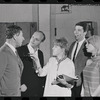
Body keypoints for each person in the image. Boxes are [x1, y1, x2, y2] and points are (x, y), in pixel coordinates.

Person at [17, 31, 46, 96]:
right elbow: (14, 71)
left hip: (37, 90)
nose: (33, 40)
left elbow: (40, 71)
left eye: (37, 39)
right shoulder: (19, 51)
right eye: (33, 37)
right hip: (24, 88)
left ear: (41, 42)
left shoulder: (40, 54)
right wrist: (19, 84)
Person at [0, 25, 25, 96]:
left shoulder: (14, 51)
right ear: (15, 36)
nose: (23, 38)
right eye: (21, 36)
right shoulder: (3, 53)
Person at [68, 22, 89, 97]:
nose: (75, 32)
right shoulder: (72, 45)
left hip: (81, 81)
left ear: (85, 33)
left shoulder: (88, 46)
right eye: (75, 30)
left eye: (79, 30)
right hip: (70, 80)